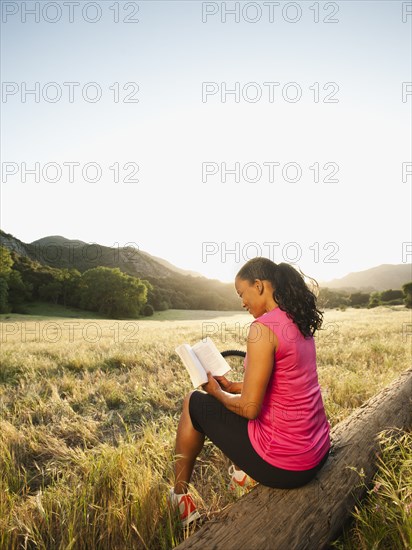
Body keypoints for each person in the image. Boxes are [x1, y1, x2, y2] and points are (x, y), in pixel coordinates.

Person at [168, 258, 331, 527]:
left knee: (193, 401)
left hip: (287, 467)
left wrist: (215, 393)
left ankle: (179, 496)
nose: (242, 302)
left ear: (259, 286)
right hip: (317, 453)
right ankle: (241, 476)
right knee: (231, 402)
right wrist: (231, 387)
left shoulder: (262, 328)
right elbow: (283, 383)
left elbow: (250, 408)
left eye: (242, 293)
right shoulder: (299, 320)